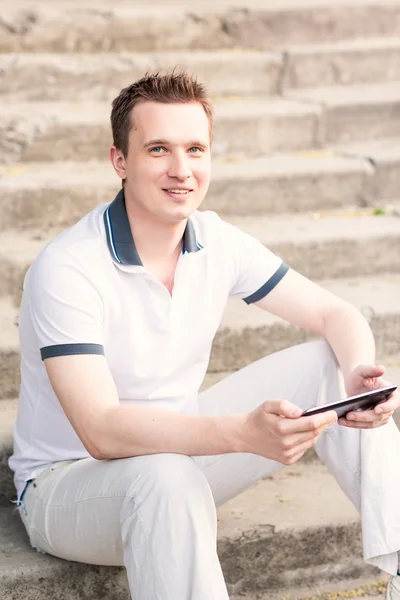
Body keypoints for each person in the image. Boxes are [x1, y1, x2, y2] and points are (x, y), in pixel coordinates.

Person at [9, 70, 400, 600]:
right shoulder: (68, 268)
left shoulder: (214, 239)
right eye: (158, 149)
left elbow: (337, 314)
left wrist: (357, 382)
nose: (181, 170)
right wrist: (241, 433)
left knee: (328, 366)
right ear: (119, 161)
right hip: (70, 484)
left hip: (182, 449)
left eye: (195, 148)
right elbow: (102, 431)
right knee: (164, 479)